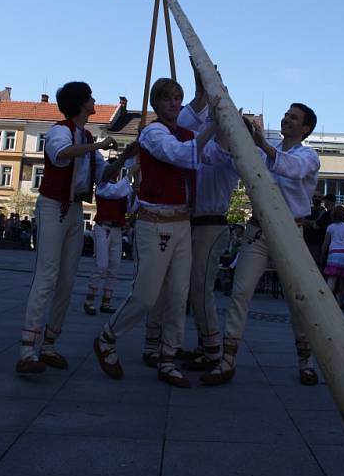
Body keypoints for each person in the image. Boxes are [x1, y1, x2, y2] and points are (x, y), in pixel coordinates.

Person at [93, 77, 218, 388]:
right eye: (167, 99)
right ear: (156, 104)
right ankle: (108, 337)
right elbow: (179, 155)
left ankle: (168, 357)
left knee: (178, 295)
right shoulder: (152, 132)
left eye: (177, 98)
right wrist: (214, 126)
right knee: (147, 295)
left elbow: (204, 151)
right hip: (154, 222)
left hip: (181, 221)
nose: (174, 104)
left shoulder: (186, 133)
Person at [15, 81, 137, 375]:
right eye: (91, 97)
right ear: (82, 103)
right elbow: (61, 154)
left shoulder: (84, 135)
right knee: (47, 275)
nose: (95, 100)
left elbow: (103, 176)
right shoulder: (62, 131)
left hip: (73, 209)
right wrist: (98, 145)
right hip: (53, 205)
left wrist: (125, 156)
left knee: (67, 279)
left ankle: (48, 345)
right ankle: (27, 350)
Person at [202, 103, 320, 388]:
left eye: (294, 118)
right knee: (240, 292)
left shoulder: (309, 156)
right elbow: (234, 160)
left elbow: (292, 169)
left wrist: (261, 145)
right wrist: (229, 128)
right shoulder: (263, 152)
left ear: (305, 128)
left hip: (290, 232)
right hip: (258, 230)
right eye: (286, 115)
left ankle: (306, 361)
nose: (286, 119)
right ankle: (227, 359)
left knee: (298, 300)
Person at [142, 76, 240, 374]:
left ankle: (211, 349)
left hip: (209, 223)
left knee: (197, 288)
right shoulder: (185, 134)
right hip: (184, 221)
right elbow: (183, 122)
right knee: (167, 286)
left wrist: (220, 115)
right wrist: (203, 87)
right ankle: (158, 344)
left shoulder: (219, 144)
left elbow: (207, 150)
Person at [83, 172, 137, 316]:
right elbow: (115, 192)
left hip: (116, 230)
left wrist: (135, 190)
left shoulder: (120, 188)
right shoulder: (102, 186)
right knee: (102, 265)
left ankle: (106, 302)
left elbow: (130, 209)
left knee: (114, 266)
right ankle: (89, 300)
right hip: (103, 227)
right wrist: (131, 176)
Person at [321, 204, 344, 310]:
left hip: (334, 253)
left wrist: (322, 254)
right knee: (343, 280)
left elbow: (325, 243)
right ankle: (341, 302)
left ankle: (328, 301)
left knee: (332, 278)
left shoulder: (330, 227)